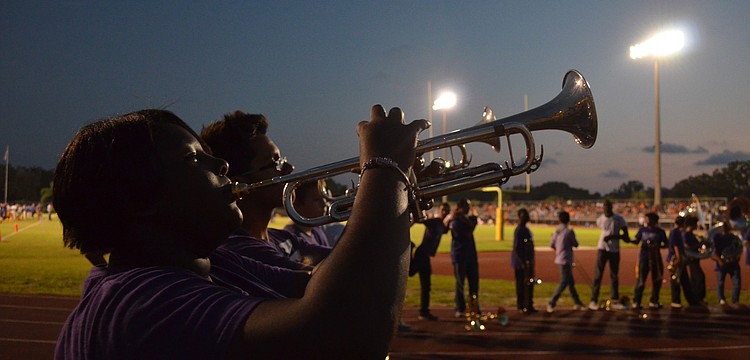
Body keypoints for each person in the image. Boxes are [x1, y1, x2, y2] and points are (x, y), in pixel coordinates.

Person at [53, 106, 429, 359]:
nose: (220, 163)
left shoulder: (211, 258)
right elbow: (346, 329)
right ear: (138, 197)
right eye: (192, 158)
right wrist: (384, 169)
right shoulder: (139, 302)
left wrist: (391, 197)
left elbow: (324, 283)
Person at [201, 111, 331, 270]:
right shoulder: (241, 248)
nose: (289, 168)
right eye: (275, 163)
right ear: (240, 185)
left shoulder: (280, 237)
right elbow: (333, 283)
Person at [409, 202, 451, 321]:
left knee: (426, 285)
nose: (445, 212)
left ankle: (424, 312)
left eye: (446, 210)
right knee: (413, 274)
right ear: (439, 210)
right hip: (422, 254)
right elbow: (420, 221)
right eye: (443, 210)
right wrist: (409, 226)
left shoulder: (442, 225)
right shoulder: (435, 222)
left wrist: (451, 220)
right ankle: (409, 248)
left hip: (425, 256)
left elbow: (445, 230)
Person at [589, 200, 629, 311]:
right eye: (605, 207)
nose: (606, 209)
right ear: (603, 208)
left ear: (611, 207)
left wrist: (613, 237)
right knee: (598, 275)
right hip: (602, 248)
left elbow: (626, 237)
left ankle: (614, 299)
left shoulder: (619, 219)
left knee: (614, 275)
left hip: (614, 250)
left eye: (608, 207)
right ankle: (593, 300)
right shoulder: (600, 219)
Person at [546, 210, 585, 313]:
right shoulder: (569, 231)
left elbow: (552, 245)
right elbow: (576, 244)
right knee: (564, 282)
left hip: (559, 258)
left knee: (570, 283)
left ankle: (577, 302)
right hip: (566, 259)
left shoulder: (556, 231)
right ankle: (552, 302)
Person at [630, 212, 669, 310]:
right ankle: (636, 301)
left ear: (654, 220)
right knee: (641, 281)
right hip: (644, 258)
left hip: (655, 258)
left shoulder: (660, 231)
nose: (645, 220)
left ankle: (654, 301)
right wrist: (626, 239)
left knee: (657, 280)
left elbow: (666, 244)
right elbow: (636, 240)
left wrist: (658, 246)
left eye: (647, 219)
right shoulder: (642, 230)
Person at [449, 198, 480, 318]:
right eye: (467, 206)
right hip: (460, 256)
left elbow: (471, 224)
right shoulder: (456, 221)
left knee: (474, 284)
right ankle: (460, 308)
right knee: (460, 284)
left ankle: (474, 307)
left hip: (470, 256)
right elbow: (466, 233)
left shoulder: (465, 219)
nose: (469, 208)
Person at [709, 203, 744, 305]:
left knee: (737, 283)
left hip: (733, 263)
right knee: (720, 282)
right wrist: (720, 260)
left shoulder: (734, 238)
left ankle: (735, 300)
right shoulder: (717, 238)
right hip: (722, 263)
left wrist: (736, 258)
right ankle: (722, 299)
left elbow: (739, 249)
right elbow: (712, 252)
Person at [283, 179, 332, 247]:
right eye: (316, 200)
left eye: (324, 198)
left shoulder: (315, 229)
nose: (324, 204)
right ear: (297, 205)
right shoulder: (292, 237)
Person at [666, 216, 699, 309]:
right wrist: (679, 258)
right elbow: (675, 245)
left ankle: (691, 300)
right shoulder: (675, 232)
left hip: (678, 258)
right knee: (676, 280)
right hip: (676, 259)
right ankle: (676, 300)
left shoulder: (677, 232)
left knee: (684, 281)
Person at [513, 208, 536, 313]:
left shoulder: (525, 229)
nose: (527, 217)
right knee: (521, 284)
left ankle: (528, 304)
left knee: (528, 284)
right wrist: (522, 262)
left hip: (527, 260)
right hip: (521, 262)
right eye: (524, 215)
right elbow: (516, 248)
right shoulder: (520, 230)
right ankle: (521, 305)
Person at [683, 215, 706, 305]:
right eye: (695, 224)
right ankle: (698, 298)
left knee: (694, 278)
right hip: (691, 258)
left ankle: (695, 299)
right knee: (699, 277)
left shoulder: (691, 234)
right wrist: (699, 244)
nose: (696, 225)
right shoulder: (686, 234)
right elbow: (686, 246)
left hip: (694, 258)